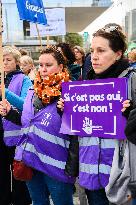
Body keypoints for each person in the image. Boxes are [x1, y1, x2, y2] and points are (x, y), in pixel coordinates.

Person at [57, 24, 136, 205]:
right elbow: (76, 129)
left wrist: (132, 113)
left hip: (122, 174)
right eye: (92, 50)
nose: (94, 56)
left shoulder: (132, 80)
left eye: (101, 50)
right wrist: (65, 110)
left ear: (118, 54)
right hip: (91, 171)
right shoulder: (84, 82)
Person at [0, 46, 76, 205]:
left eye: (48, 65)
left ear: (60, 67)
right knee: (38, 202)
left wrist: (72, 166)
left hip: (57, 164)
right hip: (30, 161)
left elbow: (76, 131)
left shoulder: (71, 92)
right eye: (40, 65)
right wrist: (9, 113)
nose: (43, 69)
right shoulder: (32, 90)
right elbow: (26, 122)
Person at [0, 46, 32, 205]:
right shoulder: (1, 78)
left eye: (8, 60)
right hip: (1, 134)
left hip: (17, 135)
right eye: (2, 60)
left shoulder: (24, 80)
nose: (4, 62)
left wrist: (4, 92)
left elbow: (25, 104)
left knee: (19, 174)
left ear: (17, 62)